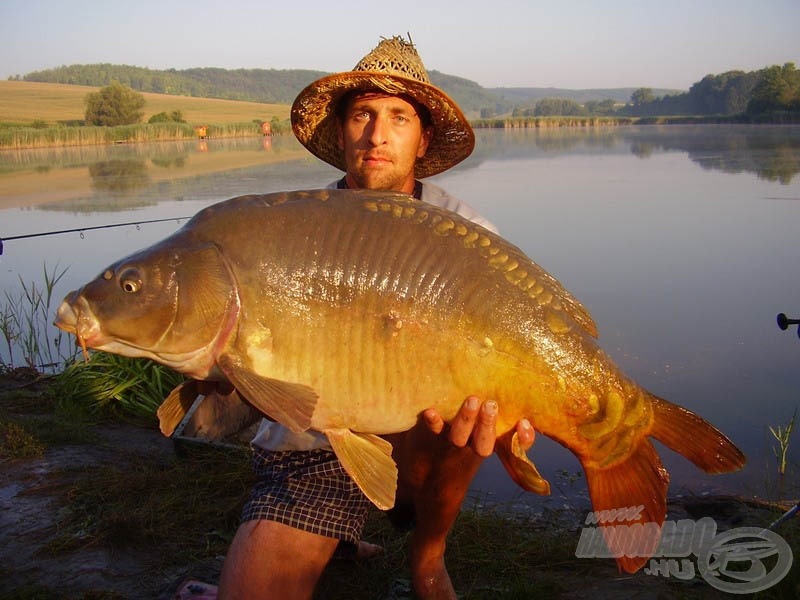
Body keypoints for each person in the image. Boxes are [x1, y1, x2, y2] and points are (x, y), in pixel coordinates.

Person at [218, 36, 535, 599]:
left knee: (468, 420)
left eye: (399, 117)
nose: (377, 134)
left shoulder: (469, 236)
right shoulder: (290, 226)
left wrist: (515, 415)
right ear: (342, 130)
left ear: (423, 137)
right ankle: (332, 534)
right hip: (315, 432)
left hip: (421, 438)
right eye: (362, 114)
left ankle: (427, 554)